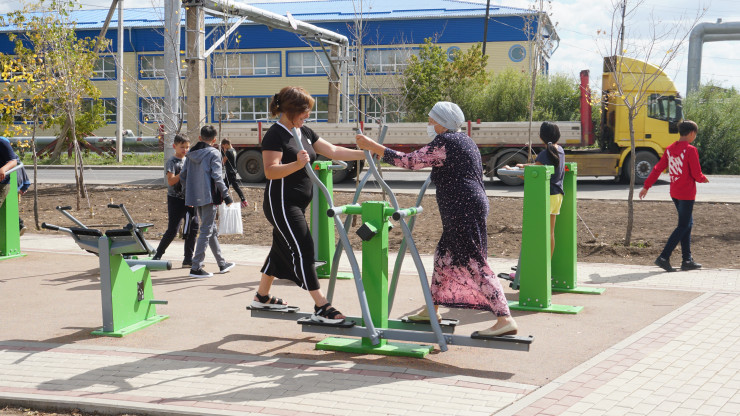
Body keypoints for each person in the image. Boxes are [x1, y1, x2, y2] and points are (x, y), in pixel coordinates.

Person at [356, 101, 518, 337]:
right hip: (466, 206)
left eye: (431, 121)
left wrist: (372, 146)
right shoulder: (465, 140)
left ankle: (504, 318)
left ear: (443, 123)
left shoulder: (447, 142)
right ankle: (432, 309)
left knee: (473, 260)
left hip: (462, 208)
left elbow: (409, 161)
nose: (429, 125)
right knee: (444, 257)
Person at [252, 86, 365, 324]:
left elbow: (333, 150)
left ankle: (262, 296)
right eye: (305, 111)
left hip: (297, 204)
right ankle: (322, 306)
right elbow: (270, 171)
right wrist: (297, 164)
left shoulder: (303, 131)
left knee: (280, 249)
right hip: (281, 203)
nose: (308, 115)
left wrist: (367, 154)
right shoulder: (275, 135)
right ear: (291, 110)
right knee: (304, 248)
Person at [639, 120, 708, 272]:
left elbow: (657, 169)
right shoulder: (691, 150)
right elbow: (696, 174)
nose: (695, 137)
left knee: (687, 224)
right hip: (687, 194)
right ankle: (664, 257)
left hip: (675, 193)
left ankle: (687, 260)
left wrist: (646, 186)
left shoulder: (670, 149)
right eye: (695, 134)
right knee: (683, 225)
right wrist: (703, 178)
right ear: (691, 133)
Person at [180, 125, 236, 278]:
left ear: (200, 138)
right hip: (209, 196)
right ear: (214, 139)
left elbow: (183, 175)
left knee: (210, 229)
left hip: (195, 195)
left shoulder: (190, 153)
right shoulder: (214, 153)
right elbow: (217, 176)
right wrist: (226, 195)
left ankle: (222, 263)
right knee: (206, 230)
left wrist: (188, 192)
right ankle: (196, 267)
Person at [514, 121, 564, 257]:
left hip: (546, 197)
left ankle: (537, 264)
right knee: (550, 233)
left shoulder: (544, 154)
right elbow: (538, 166)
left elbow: (533, 175)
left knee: (538, 232)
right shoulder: (560, 150)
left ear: (541, 137)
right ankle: (548, 263)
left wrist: (515, 172)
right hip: (557, 196)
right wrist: (524, 165)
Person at [152, 134, 200, 268]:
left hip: (190, 199)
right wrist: (183, 173)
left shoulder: (189, 160)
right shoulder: (172, 162)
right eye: (182, 147)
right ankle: (157, 255)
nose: (185, 150)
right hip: (176, 199)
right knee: (173, 229)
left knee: (193, 228)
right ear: (174, 146)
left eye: (187, 147)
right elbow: (171, 181)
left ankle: (188, 259)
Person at [220, 139, 248, 208]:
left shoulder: (228, 152)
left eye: (223, 146)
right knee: (225, 186)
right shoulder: (233, 150)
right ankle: (221, 200)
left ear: (226, 144)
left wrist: (224, 153)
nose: (223, 148)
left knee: (234, 187)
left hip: (230, 172)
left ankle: (244, 200)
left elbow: (223, 161)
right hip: (233, 171)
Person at [0, 136, 20, 231]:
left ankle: (20, 224)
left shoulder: (2, 142)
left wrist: (3, 169)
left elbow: (13, 161)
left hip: (1, 184)